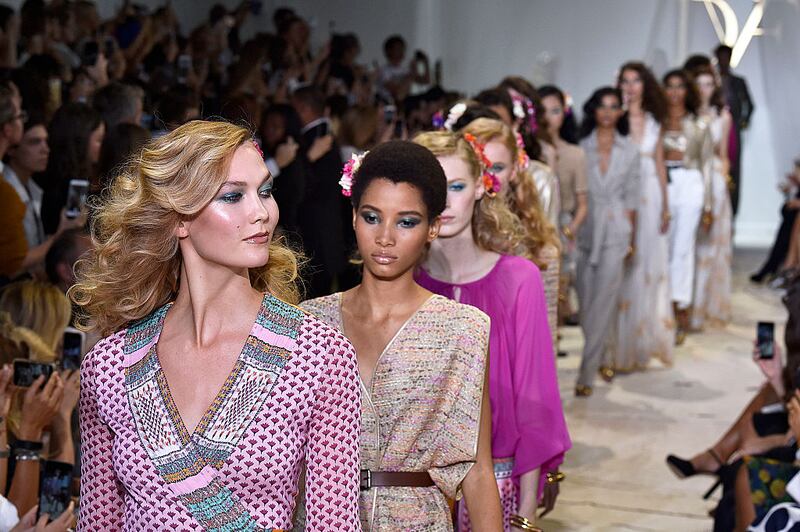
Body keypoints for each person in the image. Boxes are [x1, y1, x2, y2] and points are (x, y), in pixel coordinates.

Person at [71, 120, 361, 528]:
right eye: (233, 196)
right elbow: (98, 523)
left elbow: (334, 525)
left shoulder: (317, 356)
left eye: (264, 191)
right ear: (179, 220)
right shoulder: (110, 367)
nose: (261, 213)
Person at [301, 140, 502, 530]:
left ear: (433, 228)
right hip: (319, 517)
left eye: (406, 221)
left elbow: (477, 470)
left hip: (418, 519)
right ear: (354, 216)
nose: (386, 237)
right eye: (373, 217)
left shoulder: (462, 330)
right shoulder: (310, 323)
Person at [414, 130, 570, 530]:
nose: (446, 202)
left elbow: (534, 398)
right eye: (435, 187)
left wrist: (527, 510)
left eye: (458, 186)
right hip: (415, 492)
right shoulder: (402, 281)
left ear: (482, 187)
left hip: (498, 481)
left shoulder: (520, 279)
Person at [460, 117, 562, 346]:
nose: (489, 178)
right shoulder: (439, 240)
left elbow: (545, 335)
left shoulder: (537, 247)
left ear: (514, 170)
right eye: (479, 166)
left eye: (497, 167)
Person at [575, 87, 640, 394]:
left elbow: (632, 199)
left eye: (614, 106)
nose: (607, 112)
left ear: (620, 112)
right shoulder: (580, 147)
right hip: (586, 227)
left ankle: (586, 375)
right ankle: (606, 352)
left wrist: (633, 240)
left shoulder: (630, 150)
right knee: (589, 303)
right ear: (593, 110)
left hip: (616, 230)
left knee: (603, 301)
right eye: (602, 106)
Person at [610, 61, 673, 373]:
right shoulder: (613, 118)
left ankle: (641, 341)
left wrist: (666, 204)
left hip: (650, 193)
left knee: (647, 265)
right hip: (620, 192)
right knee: (620, 263)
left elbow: (659, 163)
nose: (630, 86)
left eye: (636, 80)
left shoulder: (652, 120)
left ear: (645, 85)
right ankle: (616, 344)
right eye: (625, 80)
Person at [662, 69, 714, 344]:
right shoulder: (655, 122)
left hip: (690, 181)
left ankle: (679, 306)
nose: (674, 92)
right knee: (664, 245)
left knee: (683, 248)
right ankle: (662, 305)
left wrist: (708, 205)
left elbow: (706, 164)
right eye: (669, 86)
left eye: (680, 86)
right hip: (662, 182)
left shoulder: (699, 124)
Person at [291, 84, 351, 297]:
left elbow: (300, 188)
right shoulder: (325, 136)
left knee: (312, 300)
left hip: (313, 237)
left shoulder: (310, 140)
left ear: (304, 108)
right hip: (327, 235)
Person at [538, 85, 587, 327]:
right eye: (543, 110)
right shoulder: (530, 152)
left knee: (561, 289)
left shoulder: (575, 154)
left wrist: (569, 230)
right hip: (536, 228)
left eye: (555, 110)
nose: (549, 117)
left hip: (563, 227)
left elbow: (582, 204)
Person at [690, 64, 733, 330]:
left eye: (708, 83)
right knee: (689, 244)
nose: (704, 89)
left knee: (710, 245)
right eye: (700, 83)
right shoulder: (688, 115)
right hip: (691, 177)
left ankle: (703, 307)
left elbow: (723, 154)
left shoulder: (722, 116)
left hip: (714, 181)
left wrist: (723, 184)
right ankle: (686, 306)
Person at [37, 102, 104, 235]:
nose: (102, 147)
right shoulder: (62, 189)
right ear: (81, 142)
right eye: (99, 140)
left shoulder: (51, 175)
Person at [714, 44, 754, 217]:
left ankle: (731, 215)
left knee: (733, 171)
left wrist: (742, 122)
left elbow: (750, 105)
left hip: (732, 132)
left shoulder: (738, 82)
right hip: (715, 129)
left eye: (726, 57)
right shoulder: (712, 81)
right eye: (721, 57)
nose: (723, 61)